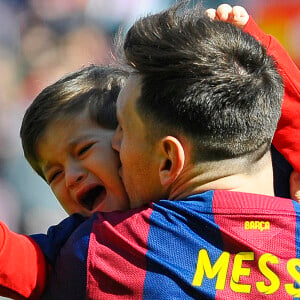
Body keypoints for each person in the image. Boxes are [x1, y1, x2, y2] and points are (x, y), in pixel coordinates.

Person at [1, 2, 300, 299]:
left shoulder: (106, 251)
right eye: (53, 174)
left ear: (168, 159)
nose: (72, 177)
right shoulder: (288, 205)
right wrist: (252, 52)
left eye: (124, 132)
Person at [20, 64, 130, 217]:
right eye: (55, 174)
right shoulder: (66, 239)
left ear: (126, 138)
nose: (71, 178)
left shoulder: (171, 219)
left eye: (83, 150)